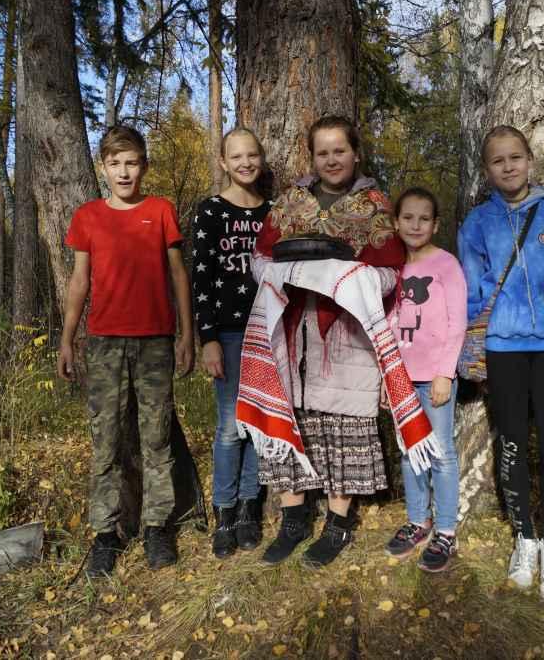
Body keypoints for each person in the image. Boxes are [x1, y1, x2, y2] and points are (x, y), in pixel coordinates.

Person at [240, 115, 417, 568]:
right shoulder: (291, 201)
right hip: (291, 328)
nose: (332, 159)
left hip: (345, 331)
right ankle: (293, 520)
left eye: (340, 150)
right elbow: (261, 257)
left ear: (355, 154)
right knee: (291, 417)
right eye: (323, 152)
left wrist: (350, 278)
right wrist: (282, 273)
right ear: (312, 157)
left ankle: (337, 523)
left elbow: (391, 272)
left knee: (342, 423)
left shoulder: (375, 206)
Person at [57, 125, 195, 576]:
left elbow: (179, 276)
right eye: (115, 163)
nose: (123, 172)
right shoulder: (88, 217)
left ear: (144, 166)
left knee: (156, 438)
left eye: (131, 162)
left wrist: (187, 335)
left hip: (155, 341)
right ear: (103, 167)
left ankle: (157, 527)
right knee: (107, 442)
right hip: (104, 344)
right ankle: (105, 534)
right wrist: (67, 338)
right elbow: (79, 281)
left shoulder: (160, 211)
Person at [457, 126, 544, 602]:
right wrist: (476, 348)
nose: (508, 167)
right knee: (511, 445)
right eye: (497, 161)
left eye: (515, 157)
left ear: (530, 159)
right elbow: (471, 292)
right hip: (503, 347)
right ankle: (525, 539)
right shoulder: (477, 223)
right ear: (486, 170)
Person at [191, 128, 272, 558]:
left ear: (261, 158)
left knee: (258, 424)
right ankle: (223, 510)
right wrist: (207, 338)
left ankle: (248, 508)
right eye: (236, 156)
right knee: (229, 427)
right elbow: (200, 276)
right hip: (226, 331)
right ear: (223, 162)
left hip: (267, 332)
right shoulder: (211, 211)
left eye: (251, 155)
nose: (245, 163)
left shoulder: (272, 213)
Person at [384, 187, 467, 573]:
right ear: (396, 222)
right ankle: (418, 520)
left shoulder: (446, 265)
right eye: (408, 218)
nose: (415, 225)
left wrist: (444, 373)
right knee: (409, 450)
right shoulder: (394, 268)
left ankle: (446, 529)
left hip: (434, 377)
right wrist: (387, 376)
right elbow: (387, 322)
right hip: (400, 377)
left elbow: (456, 323)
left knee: (440, 453)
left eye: (423, 219)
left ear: (435, 224)